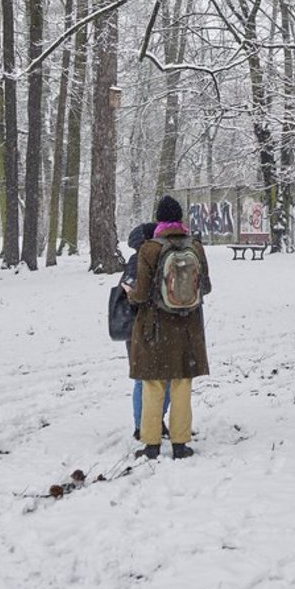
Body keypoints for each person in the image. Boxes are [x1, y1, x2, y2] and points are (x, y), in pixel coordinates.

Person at [127, 195, 211, 459]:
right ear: (181, 218)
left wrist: (131, 295)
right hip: (187, 329)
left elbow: (140, 294)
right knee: (182, 385)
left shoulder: (149, 248)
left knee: (153, 385)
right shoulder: (195, 247)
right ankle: (180, 444)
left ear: (159, 219)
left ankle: (151, 444)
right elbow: (206, 286)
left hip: (155, 329)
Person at [121, 223, 170, 439]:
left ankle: (150, 421)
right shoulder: (137, 261)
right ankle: (144, 423)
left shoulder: (145, 259)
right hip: (141, 326)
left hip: (144, 326)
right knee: (149, 378)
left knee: (152, 377)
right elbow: (133, 291)